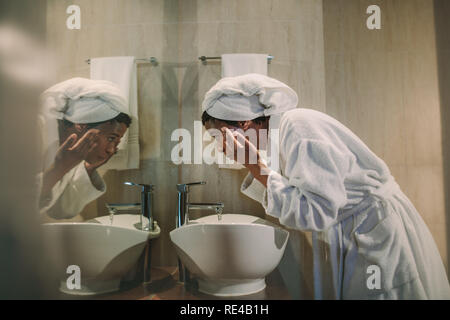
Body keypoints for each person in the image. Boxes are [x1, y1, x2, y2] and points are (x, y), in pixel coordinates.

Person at [201, 73, 450, 299]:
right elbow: (304, 202)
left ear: (242, 124)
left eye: (218, 136)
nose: (221, 147)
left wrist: (255, 165)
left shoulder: (297, 128)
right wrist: (255, 165)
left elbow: (316, 213)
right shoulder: (281, 137)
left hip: (376, 232)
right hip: (361, 229)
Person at [37, 77, 131, 219]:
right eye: (111, 138)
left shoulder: (74, 150)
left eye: (117, 142)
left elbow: (60, 210)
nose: (111, 150)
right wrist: (59, 168)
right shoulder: (30, 134)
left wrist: (88, 168)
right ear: (81, 124)